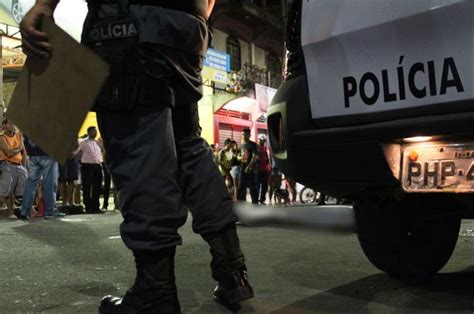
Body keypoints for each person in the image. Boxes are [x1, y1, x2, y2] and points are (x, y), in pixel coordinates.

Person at [20, 0, 254, 312]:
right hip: (187, 27)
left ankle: (155, 291)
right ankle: (233, 272)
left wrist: (46, 4)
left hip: (129, 21)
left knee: (138, 152)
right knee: (189, 148)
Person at [19, 136, 64, 219]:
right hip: (47, 154)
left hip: (32, 155)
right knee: (49, 183)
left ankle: (24, 211)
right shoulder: (47, 124)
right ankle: (50, 211)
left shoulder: (29, 125)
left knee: (31, 183)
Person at [0, 119, 27, 219]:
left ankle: (13, 208)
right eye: (10, 123)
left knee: (18, 187)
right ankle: (10, 211)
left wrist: (24, 166)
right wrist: (18, 149)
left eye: (13, 123)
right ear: (5, 125)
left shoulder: (18, 135)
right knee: (8, 188)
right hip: (7, 164)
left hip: (18, 164)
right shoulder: (2, 137)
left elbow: (24, 152)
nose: (12, 125)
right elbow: (8, 153)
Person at [73, 126, 104, 214]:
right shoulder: (83, 142)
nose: (95, 133)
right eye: (94, 131)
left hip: (97, 166)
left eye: (96, 131)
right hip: (87, 166)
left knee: (97, 188)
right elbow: (76, 152)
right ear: (89, 132)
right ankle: (88, 207)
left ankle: (96, 207)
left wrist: (102, 144)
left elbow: (103, 151)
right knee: (86, 187)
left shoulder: (98, 142)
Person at [237, 128, 259, 204]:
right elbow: (239, 155)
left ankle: (255, 205)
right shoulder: (242, 144)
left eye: (245, 134)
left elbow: (255, 156)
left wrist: (249, 166)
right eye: (242, 134)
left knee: (253, 188)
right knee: (241, 187)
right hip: (242, 169)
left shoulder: (253, 144)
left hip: (251, 170)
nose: (243, 136)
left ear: (249, 135)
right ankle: (242, 204)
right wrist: (239, 157)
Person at [255, 134, 271, 205]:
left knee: (264, 186)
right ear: (259, 140)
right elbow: (255, 158)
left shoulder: (265, 148)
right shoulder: (256, 147)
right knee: (257, 186)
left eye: (264, 140)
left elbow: (267, 158)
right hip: (258, 170)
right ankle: (256, 200)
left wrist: (267, 161)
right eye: (262, 140)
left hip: (265, 170)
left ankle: (262, 200)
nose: (263, 142)